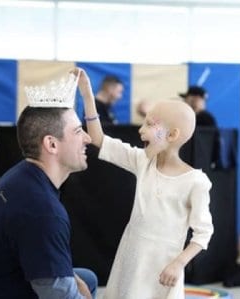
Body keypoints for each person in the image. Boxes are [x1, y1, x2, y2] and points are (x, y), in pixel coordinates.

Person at [0, 73, 98, 299]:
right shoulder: (42, 210)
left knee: (87, 278)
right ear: (51, 144)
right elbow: (60, 296)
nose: (87, 138)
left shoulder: (22, 177)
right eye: (77, 131)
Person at [75, 68, 213, 299]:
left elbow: (203, 233)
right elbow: (99, 139)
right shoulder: (143, 162)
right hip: (130, 263)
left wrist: (178, 263)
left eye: (150, 124)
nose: (141, 129)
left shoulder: (196, 182)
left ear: (172, 135)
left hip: (162, 272)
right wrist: (89, 97)